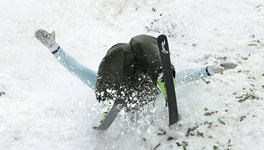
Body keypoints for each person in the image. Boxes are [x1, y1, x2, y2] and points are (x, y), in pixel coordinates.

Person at [35, 29, 237, 118]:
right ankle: (160, 78)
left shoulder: (107, 78)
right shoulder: (150, 89)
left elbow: (76, 69)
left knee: (131, 47)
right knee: (133, 45)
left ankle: (109, 97)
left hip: (122, 91)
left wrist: (54, 48)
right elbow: (185, 76)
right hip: (127, 90)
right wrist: (208, 70)